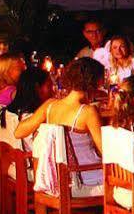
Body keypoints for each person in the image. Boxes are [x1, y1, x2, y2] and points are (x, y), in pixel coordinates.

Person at [16, 57, 106, 194]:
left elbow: (18, 132)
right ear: (93, 84)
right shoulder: (88, 112)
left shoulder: (50, 105)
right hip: (85, 178)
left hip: (58, 177)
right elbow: (106, 151)